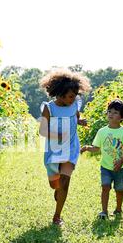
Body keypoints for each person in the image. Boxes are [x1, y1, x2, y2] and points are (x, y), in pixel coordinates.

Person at [39, 69, 90, 226]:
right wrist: (58, 135)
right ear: (59, 93)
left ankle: (57, 216)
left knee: (65, 182)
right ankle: (57, 189)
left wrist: (80, 122)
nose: (73, 98)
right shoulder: (49, 108)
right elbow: (42, 131)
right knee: (55, 184)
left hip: (71, 149)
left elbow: (76, 117)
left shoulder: (74, 105)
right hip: (54, 150)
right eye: (70, 96)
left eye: (75, 95)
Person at [80, 99, 123, 220]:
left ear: (122, 117)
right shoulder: (102, 131)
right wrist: (87, 148)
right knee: (105, 187)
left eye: (115, 112)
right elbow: (97, 148)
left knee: (119, 190)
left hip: (121, 168)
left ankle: (118, 209)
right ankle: (104, 211)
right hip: (106, 167)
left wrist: (120, 162)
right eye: (109, 111)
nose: (111, 114)